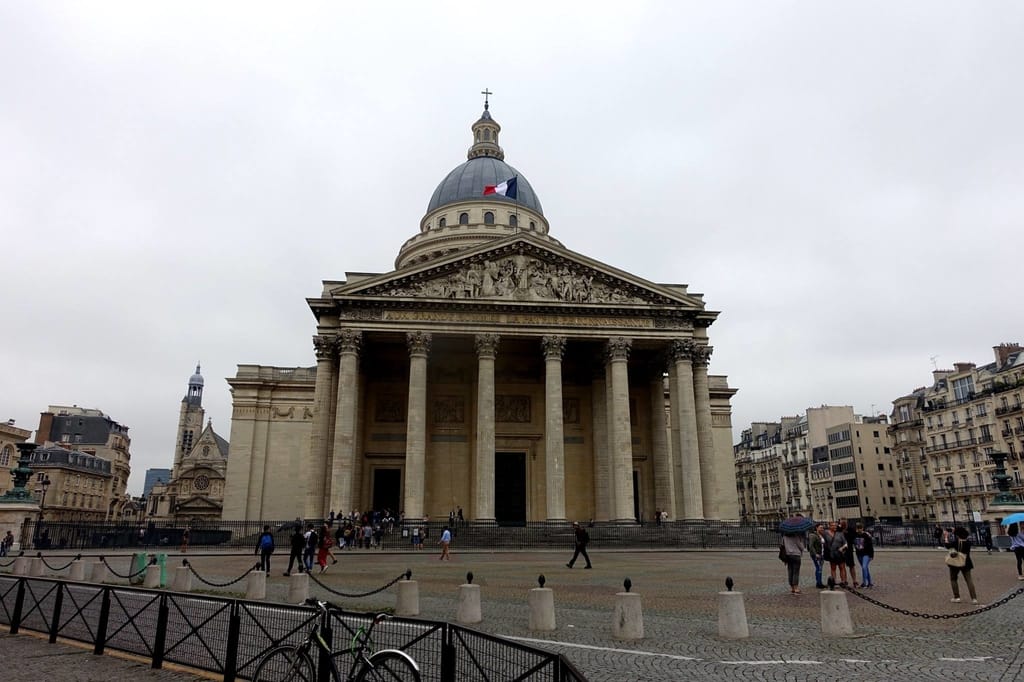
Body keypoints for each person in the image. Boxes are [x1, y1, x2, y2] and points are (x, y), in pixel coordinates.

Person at [947, 526, 979, 604]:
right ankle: (974, 598)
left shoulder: (956, 542)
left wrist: (946, 536)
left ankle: (957, 597)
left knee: (953, 579)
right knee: (969, 580)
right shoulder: (968, 542)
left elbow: (947, 546)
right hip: (966, 562)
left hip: (955, 562)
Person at [854, 522, 875, 588]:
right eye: (858, 528)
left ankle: (864, 583)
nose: (859, 529)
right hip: (859, 554)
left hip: (866, 554)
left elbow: (870, 546)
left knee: (864, 567)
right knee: (865, 568)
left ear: (862, 528)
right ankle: (870, 583)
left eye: (860, 528)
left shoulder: (866, 535)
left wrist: (871, 555)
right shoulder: (855, 535)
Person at [842, 519, 859, 587]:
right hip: (841, 550)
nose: (843, 524)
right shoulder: (839, 529)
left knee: (851, 565)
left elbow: (854, 538)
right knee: (842, 566)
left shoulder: (851, 529)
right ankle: (845, 580)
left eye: (844, 523)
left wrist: (846, 533)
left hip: (849, 550)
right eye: (842, 523)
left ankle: (854, 580)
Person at [809, 524, 826, 588]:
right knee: (818, 568)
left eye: (822, 528)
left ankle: (819, 582)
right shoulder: (813, 535)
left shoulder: (821, 535)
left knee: (820, 568)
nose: (822, 529)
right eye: (820, 528)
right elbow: (811, 546)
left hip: (822, 554)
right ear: (816, 528)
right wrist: (815, 554)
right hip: (817, 555)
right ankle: (819, 583)